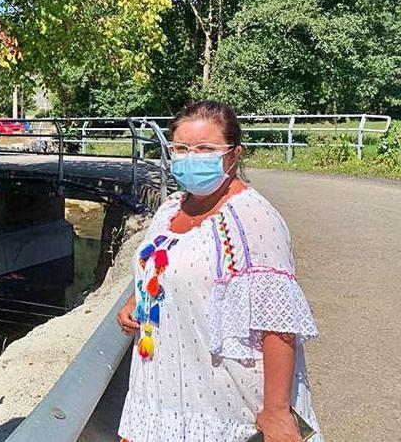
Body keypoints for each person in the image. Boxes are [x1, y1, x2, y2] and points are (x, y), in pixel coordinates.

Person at [115, 101, 322, 442]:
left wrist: (276, 413)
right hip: (160, 388)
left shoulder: (255, 219)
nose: (190, 156)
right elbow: (161, 263)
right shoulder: (171, 207)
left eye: (205, 148)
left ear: (233, 155)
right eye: (181, 148)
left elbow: (278, 325)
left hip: (225, 403)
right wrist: (136, 300)